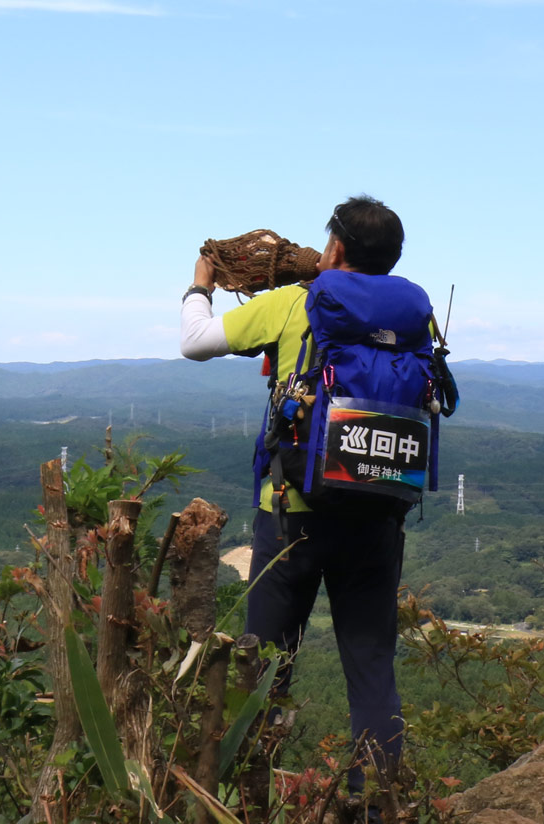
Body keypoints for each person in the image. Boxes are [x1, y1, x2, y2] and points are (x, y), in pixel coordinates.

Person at [179, 195, 415, 800]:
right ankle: (378, 800)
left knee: (265, 670)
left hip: (291, 514)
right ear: (391, 259)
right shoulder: (417, 318)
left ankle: (250, 801)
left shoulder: (294, 303)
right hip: (377, 516)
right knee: (371, 673)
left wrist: (200, 284)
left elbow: (196, 342)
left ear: (334, 248)